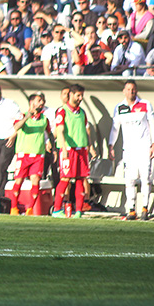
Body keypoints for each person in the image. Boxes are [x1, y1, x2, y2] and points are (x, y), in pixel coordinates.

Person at [109, 81, 154, 220]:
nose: (131, 92)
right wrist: (110, 145)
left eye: (133, 89)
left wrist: (153, 144)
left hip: (143, 147)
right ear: (124, 91)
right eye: (129, 89)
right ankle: (131, 209)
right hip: (129, 149)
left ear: (136, 91)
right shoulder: (119, 107)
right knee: (129, 179)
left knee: (145, 178)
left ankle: (145, 208)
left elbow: (153, 124)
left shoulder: (145, 104)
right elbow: (115, 128)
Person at [51, 84, 94, 218]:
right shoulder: (62, 111)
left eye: (82, 95)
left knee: (81, 179)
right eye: (78, 95)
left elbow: (85, 131)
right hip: (69, 150)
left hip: (81, 150)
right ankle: (57, 209)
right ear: (71, 94)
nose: (80, 98)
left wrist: (90, 146)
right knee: (65, 179)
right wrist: (63, 148)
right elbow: (60, 130)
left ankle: (79, 211)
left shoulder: (82, 112)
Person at [9, 93, 52, 215]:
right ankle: (14, 208)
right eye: (39, 100)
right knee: (19, 181)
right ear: (31, 102)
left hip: (38, 154)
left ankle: (30, 209)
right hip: (24, 154)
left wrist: (49, 143)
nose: (41, 103)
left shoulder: (44, 119)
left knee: (35, 180)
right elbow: (16, 127)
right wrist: (27, 117)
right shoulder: (22, 116)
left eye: (43, 101)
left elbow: (47, 133)